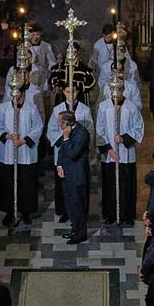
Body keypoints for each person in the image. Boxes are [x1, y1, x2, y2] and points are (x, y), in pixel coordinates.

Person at [0, 88, 43, 225]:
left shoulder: (31, 108)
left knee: (26, 183)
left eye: (20, 98)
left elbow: (38, 127)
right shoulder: (3, 108)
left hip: (25, 153)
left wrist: (23, 140)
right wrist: (8, 136)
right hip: (8, 152)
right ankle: (10, 211)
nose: (18, 101)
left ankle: (26, 211)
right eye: (16, 99)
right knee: (8, 183)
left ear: (24, 96)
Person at [96, 82, 144, 225]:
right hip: (110, 155)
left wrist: (123, 138)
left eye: (118, 89)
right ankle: (110, 214)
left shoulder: (131, 107)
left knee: (127, 185)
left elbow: (138, 128)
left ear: (123, 90)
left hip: (126, 154)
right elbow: (99, 129)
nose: (115, 92)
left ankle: (127, 215)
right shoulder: (103, 107)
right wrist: (110, 150)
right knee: (109, 185)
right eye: (113, 89)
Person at [47, 82, 94, 222]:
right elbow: (51, 131)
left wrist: (78, 144)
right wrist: (65, 140)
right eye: (67, 91)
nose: (70, 95)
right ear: (63, 92)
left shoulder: (85, 110)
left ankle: (80, 213)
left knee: (79, 187)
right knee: (63, 186)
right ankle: (64, 211)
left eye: (73, 91)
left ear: (78, 92)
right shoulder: (57, 110)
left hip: (78, 154)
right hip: (62, 153)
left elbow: (89, 130)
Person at [56, 111, 91, 244]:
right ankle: (75, 229)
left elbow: (72, 153)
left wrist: (66, 138)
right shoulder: (68, 132)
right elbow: (61, 150)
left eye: (60, 122)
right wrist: (59, 165)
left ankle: (80, 233)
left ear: (66, 123)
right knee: (71, 204)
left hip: (77, 175)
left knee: (78, 205)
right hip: (67, 174)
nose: (59, 125)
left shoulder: (82, 133)